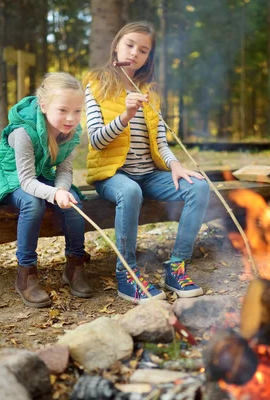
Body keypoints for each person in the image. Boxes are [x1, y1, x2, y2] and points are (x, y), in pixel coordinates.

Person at [83, 21, 209, 304]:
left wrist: (175, 164)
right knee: (129, 190)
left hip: (149, 174)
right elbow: (96, 141)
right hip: (112, 175)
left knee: (198, 187)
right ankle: (126, 274)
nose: (134, 53)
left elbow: (160, 142)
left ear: (148, 57)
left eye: (143, 50)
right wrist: (125, 116)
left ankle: (176, 267)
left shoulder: (150, 91)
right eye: (129, 45)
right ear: (116, 45)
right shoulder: (97, 84)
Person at [0, 72, 92, 308]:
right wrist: (52, 194)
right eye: (63, 110)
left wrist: (61, 190)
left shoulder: (70, 132)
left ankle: (74, 266)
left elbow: (65, 170)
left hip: (38, 176)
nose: (71, 118)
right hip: (9, 177)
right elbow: (26, 180)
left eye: (77, 111)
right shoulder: (24, 132)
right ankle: (26, 274)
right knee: (32, 202)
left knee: (74, 201)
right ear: (44, 106)